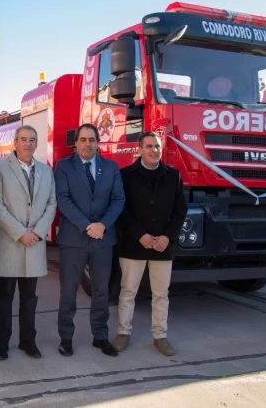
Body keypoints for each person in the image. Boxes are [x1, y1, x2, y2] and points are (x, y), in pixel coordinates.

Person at [113, 131, 188, 357]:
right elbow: (121, 210)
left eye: (157, 146)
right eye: (149, 146)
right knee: (127, 292)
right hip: (134, 245)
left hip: (162, 246)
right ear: (139, 149)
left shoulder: (173, 176)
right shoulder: (125, 175)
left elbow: (180, 210)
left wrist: (167, 237)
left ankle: (160, 336)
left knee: (161, 294)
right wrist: (140, 235)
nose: (154, 150)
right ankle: (123, 333)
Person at [54, 123, 125, 357]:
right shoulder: (63, 167)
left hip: (103, 238)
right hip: (73, 239)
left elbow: (118, 200)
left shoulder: (111, 167)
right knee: (69, 290)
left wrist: (102, 225)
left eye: (92, 140)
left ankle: (100, 336)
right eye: (83, 140)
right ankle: (66, 338)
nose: (87, 144)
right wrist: (87, 226)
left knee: (101, 290)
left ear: (98, 142)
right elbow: (62, 199)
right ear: (76, 143)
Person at [0, 125, 57, 361]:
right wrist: (21, 232)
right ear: (15, 143)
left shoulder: (46, 172)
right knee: (5, 297)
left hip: (34, 244)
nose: (28, 144)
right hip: (10, 242)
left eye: (32, 139)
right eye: (23, 139)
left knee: (30, 297)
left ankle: (28, 341)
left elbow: (51, 204)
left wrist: (37, 232)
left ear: (37, 144)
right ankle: (2, 344)